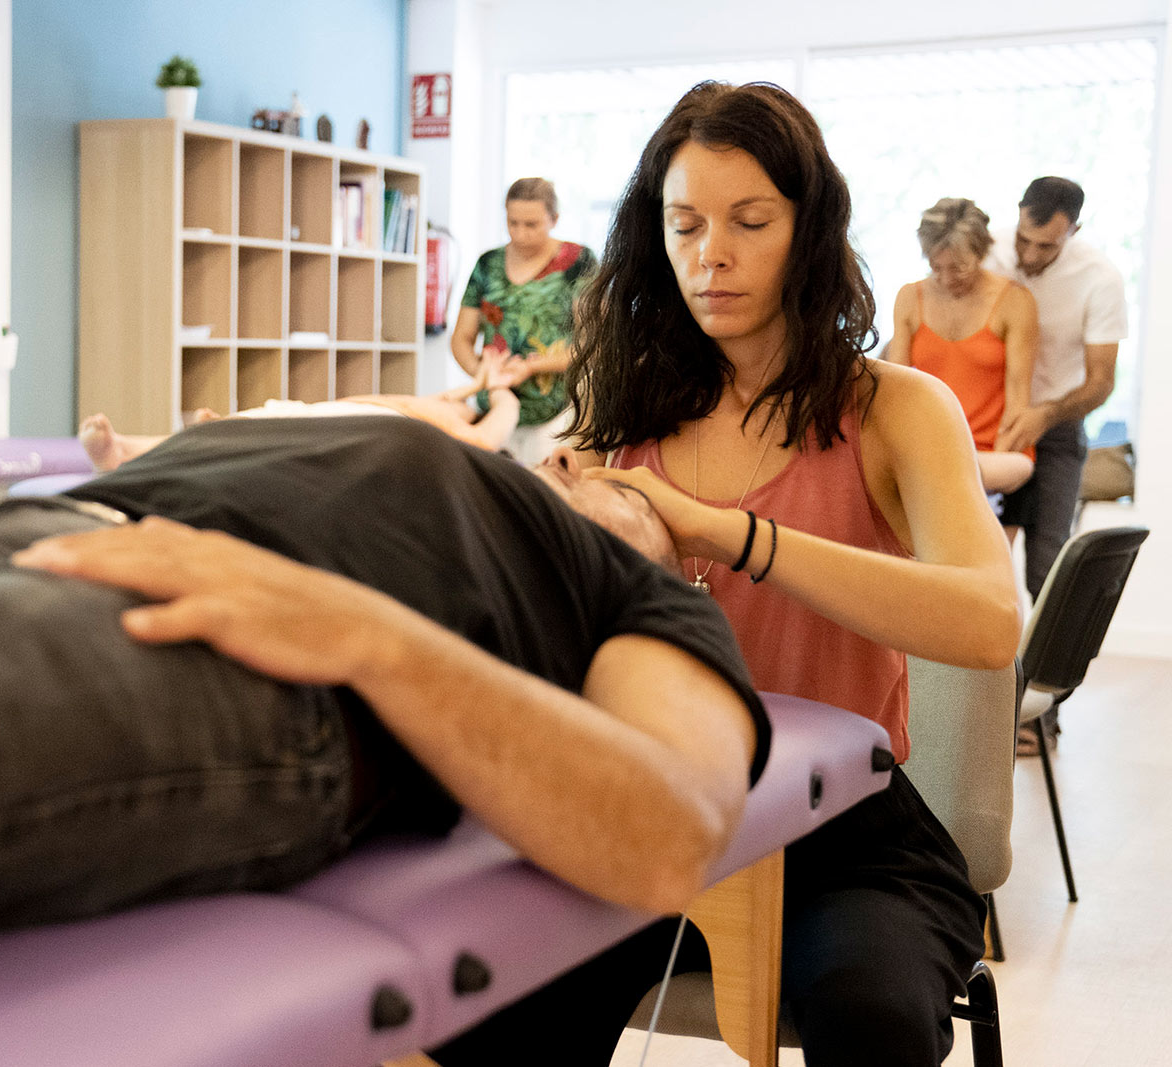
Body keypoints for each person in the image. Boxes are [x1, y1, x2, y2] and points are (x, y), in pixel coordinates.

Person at [0, 415, 765, 1047]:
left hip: (204, 638)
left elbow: (668, 831)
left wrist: (363, 632)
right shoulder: (429, 442)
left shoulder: (640, 599)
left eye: (633, 491)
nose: (594, 469)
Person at [431, 82, 1022, 1067]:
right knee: (479, 1008)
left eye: (750, 221)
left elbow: (990, 620)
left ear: (808, 231)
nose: (712, 253)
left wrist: (726, 533)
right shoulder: (617, 412)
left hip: (848, 835)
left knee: (871, 1016)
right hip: (654, 814)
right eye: (685, 225)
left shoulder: (895, 409)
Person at [985, 177, 1129, 752]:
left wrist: (1044, 416)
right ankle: (972, 710)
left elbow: (1101, 382)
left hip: (1057, 431)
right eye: (1024, 239)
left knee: (1047, 574)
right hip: (989, 425)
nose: (1028, 254)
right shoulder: (988, 250)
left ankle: (1039, 716)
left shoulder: (1100, 278)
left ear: (1074, 231)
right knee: (981, 567)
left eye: (1045, 246)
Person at [78, 350, 528, 471]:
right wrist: (480, 381)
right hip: (329, 414)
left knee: (249, 433)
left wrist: (502, 389)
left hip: (361, 429)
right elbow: (455, 394)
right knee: (248, 425)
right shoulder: (445, 405)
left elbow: (487, 437)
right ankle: (129, 449)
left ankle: (123, 451)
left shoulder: (465, 429)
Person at [885, 197, 1039, 502]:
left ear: (980, 254)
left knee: (957, 472)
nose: (946, 279)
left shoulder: (1015, 301)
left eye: (958, 268)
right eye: (935, 267)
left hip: (993, 456)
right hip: (929, 451)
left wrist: (994, 466)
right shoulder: (909, 297)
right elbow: (895, 393)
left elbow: (1017, 405)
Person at [449, 177, 598, 457]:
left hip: (555, 416)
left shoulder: (579, 262)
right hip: (493, 410)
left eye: (531, 225)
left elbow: (592, 344)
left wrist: (533, 366)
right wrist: (483, 374)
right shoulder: (488, 264)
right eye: (512, 223)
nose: (520, 234)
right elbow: (461, 338)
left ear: (554, 219)